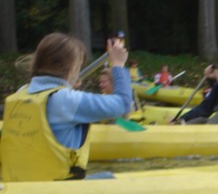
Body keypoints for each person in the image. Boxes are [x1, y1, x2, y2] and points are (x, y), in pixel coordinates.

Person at [1, 32, 132, 182]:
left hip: (17, 187)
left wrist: (67, 85)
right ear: (72, 68)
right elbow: (123, 104)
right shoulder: (66, 100)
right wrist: (118, 66)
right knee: (110, 178)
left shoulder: (20, 94)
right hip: (57, 190)